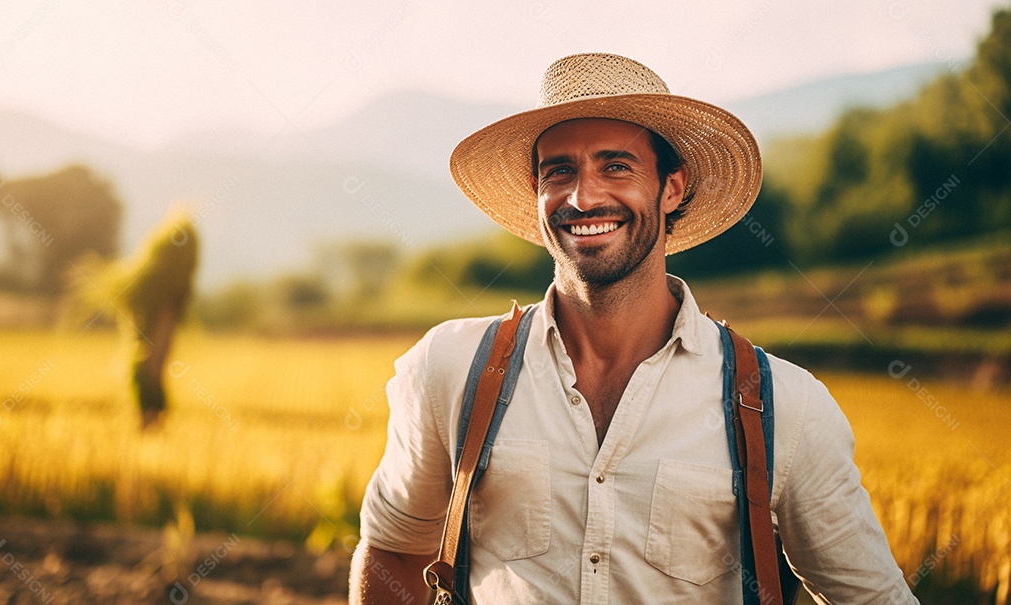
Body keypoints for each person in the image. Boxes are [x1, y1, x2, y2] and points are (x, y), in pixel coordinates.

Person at [350, 53, 917, 604]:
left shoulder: (783, 404)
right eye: (559, 171)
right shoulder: (452, 367)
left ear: (671, 188)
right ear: (538, 192)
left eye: (615, 166)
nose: (583, 196)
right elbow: (396, 554)